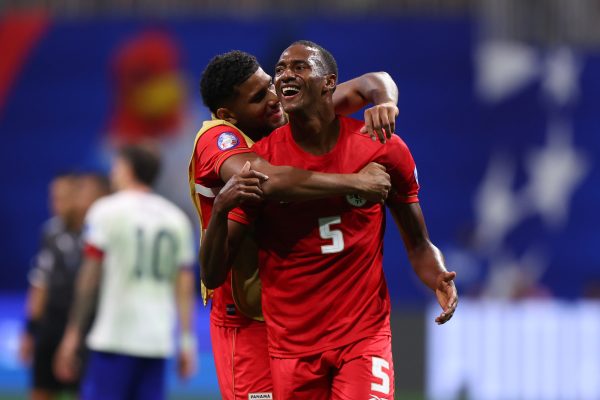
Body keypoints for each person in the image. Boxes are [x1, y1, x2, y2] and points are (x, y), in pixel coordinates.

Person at [203, 41, 459, 400]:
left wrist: (438, 276)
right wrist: (219, 211)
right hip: (291, 348)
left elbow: (418, 242)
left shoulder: (382, 148)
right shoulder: (259, 162)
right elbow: (212, 273)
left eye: (299, 67)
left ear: (329, 83)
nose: (285, 75)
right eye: (279, 69)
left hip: (363, 336)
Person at [54, 146, 197, 400]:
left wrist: (72, 334)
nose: (113, 173)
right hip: (156, 340)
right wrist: (187, 341)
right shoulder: (177, 219)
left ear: (128, 170)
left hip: (114, 337)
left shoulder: (105, 211)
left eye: (116, 167)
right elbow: (184, 284)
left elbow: (90, 277)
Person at [19, 172, 109, 400]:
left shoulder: (99, 233)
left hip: (88, 325)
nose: (55, 203)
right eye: (53, 197)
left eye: (62, 197)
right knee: (42, 389)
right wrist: (30, 330)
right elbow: (40, 282)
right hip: (52, 324)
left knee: (86, 390)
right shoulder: (51, 232)